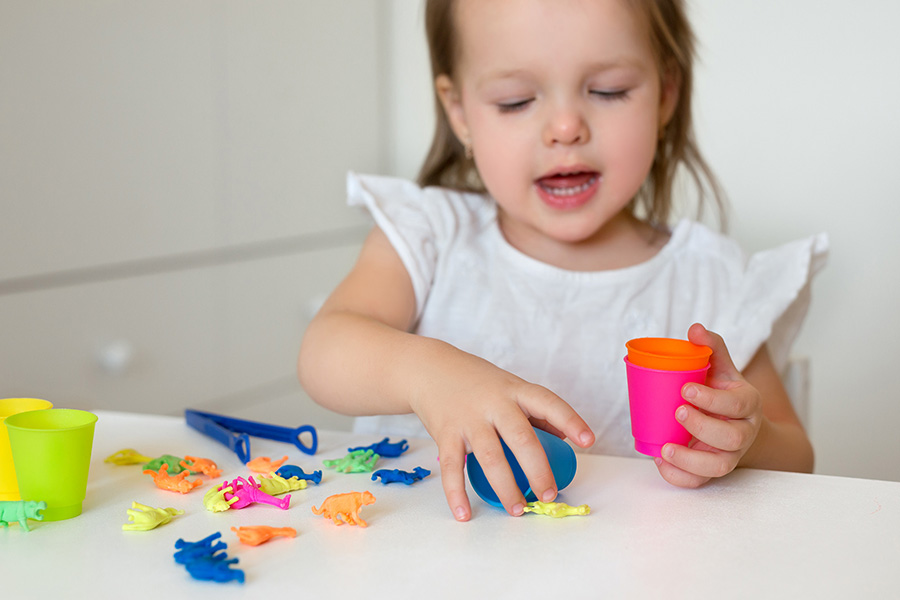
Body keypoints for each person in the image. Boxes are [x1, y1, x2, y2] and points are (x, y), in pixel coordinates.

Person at [297, 0, 827, 521]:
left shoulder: (711, 277)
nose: (566, 127)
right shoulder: (429, 235)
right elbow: (325, 349)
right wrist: (428, 373)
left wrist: (745, 439)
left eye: (608, 90)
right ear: (458, 110)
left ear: (666, 94)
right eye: (515, 100)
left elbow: (797, 459)